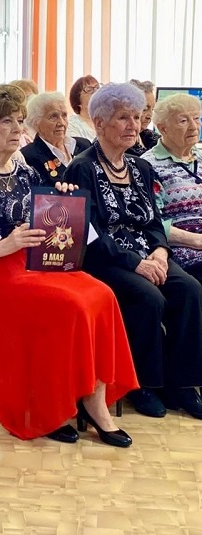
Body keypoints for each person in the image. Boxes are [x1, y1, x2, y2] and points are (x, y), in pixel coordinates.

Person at [0, 84, 137, 446]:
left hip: (33, 262)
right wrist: (5, 245)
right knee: (69, 305)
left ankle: (92, 401)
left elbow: (41, 222)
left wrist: (60, 200)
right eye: (8, 122)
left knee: (101, 295)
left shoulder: (24, 171)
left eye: (19, 121)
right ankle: (49, 405)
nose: (18, 129)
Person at [64, 82, 202, 420]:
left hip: (147, 254)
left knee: (189, 290)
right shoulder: (82, 168)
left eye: (137, 117)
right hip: (104, 259)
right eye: (123, 118)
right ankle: (143, 384)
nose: (133, 125)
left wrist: (160, 252)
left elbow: (154, 220)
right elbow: (89, 233)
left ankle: (182, 383)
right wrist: (136, 264)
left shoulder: (140, 167)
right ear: (99, 123)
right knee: (148, 297)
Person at [142, 93, 202, 280]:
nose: (194, 126)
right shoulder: (148, 165)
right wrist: (196, 240)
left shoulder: (200, 157)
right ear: (163, 128)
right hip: (181, 249)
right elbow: (151, 221)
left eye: (197, 118)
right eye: (183, 121)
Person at [21, 92, 91, 185]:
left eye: (64, 115)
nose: (61, 123)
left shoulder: (84, 146)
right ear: (36, 122)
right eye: (53, 117)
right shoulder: (29, 156)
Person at [127, 79, 160, 155]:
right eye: (145, 109)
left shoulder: (148, 135)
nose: (150, 116)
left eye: (152, 109)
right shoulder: (123, 142)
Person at [66, 75, 100, 141]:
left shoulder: (108, 121)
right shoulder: (72, 125)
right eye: (89, 90)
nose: (96, 92)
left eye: (98, 88)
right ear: (77, 100)